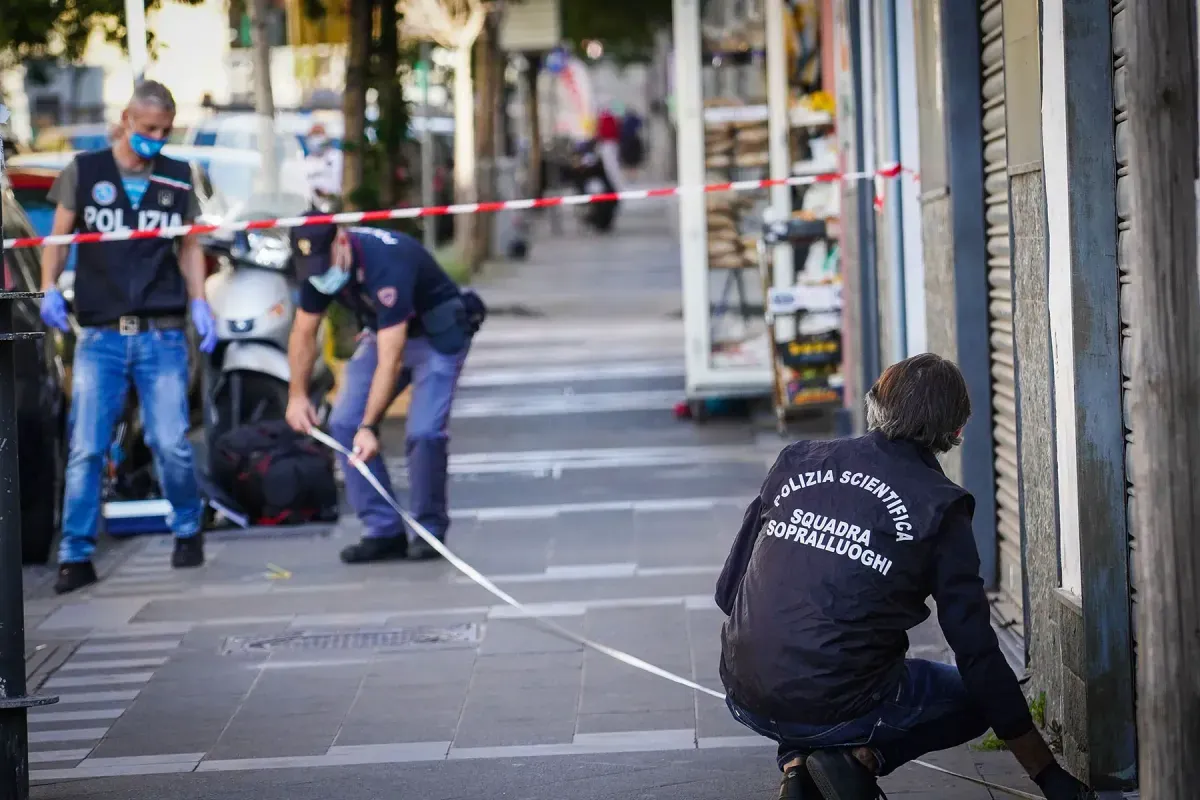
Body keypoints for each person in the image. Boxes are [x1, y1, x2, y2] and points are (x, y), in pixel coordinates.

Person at [716, 354, 1095, 800]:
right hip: (837, 701)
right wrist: (1048, 775)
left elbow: (729, 591)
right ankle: (857, 760)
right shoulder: (940, 506)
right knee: (979, 696)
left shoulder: (796, 459)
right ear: (955, 431)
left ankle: (798, 764)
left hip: (745, 689)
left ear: (876, 403)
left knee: (807, 644)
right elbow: (977, 654)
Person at [38, 80, 218, 595]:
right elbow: (58, 235)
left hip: (161, 333)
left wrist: (199, 299)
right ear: (125, 120)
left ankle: (188, 527)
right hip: (101, 336)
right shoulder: (85, 171)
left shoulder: (180, 176)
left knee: (171, 442)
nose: (156, 139)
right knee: (87, 448)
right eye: (147, 129)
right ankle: (75, 555)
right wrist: (49, 286)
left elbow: (188, 246)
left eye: (165, 131)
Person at [283, 222, 483, 563]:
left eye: (326, 265)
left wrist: (371, 426)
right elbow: (303, 332)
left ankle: (428, 529)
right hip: (382, 333)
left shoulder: (386, 262)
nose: (320, 275)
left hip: (436, 337)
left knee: (424, 432)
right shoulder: (316, 267)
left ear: (342, 241)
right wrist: (297, 395)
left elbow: (390, 360)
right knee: (345, 423)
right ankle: (383, 529)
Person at [303, 122, 343, 212]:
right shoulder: (306, 162)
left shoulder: (337, 157)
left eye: (318, 134)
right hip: (311, 208)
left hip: (335, 206)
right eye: (313, 135)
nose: (316, 138)